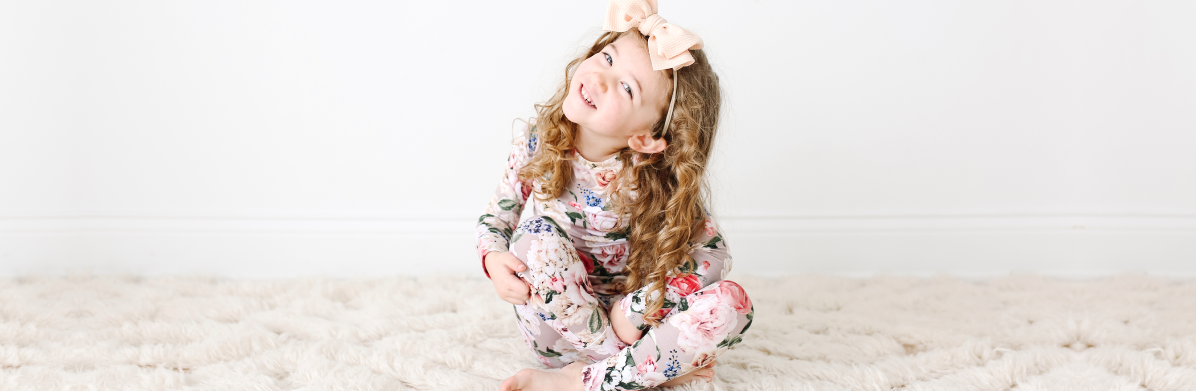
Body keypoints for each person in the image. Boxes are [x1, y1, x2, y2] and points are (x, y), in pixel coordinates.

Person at [477, 1, 753, 390]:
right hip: (558, 331)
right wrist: (493, 258)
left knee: (732, 303)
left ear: (645, 137)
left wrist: (634, 311)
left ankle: (583, 382)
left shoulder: (652, 178)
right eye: (607, 57)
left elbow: (712, 255)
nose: (600, 78)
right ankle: (637, 370)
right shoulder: (538, 142)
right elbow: (497, 218)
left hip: (633, 330)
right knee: (534, 238)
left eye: (627, 87)